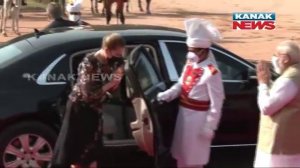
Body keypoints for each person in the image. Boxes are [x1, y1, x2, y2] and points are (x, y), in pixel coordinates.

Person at [50, 33, 126, 168]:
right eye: (117, 54)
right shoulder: (90, 63)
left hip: (95, 110)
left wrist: (118, 78)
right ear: (107, 50)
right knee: (76, 150)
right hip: (80, 110)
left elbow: (110, 89)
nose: (119, 58)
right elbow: (89, 94)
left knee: (93, 150)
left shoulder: (112, 61)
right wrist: (111, 82)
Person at [157, 18, 225, 168]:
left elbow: (217, 102)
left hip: (198, 121)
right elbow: (181, 84)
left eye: (194, 50)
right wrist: (168, 94)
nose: (190, 53)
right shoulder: (190, 64)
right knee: (181, 156)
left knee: (194, 160)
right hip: (183, 116)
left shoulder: (212, 72)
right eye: (189, 50)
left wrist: (210, 126)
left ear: (204, 51)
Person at [254, 40, 300, 167]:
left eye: (276, 55)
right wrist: (269, 81)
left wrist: (262, 84)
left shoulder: (290, 79)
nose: (274, 59)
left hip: (281, 147)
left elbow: (267, 107)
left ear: (285, 59)